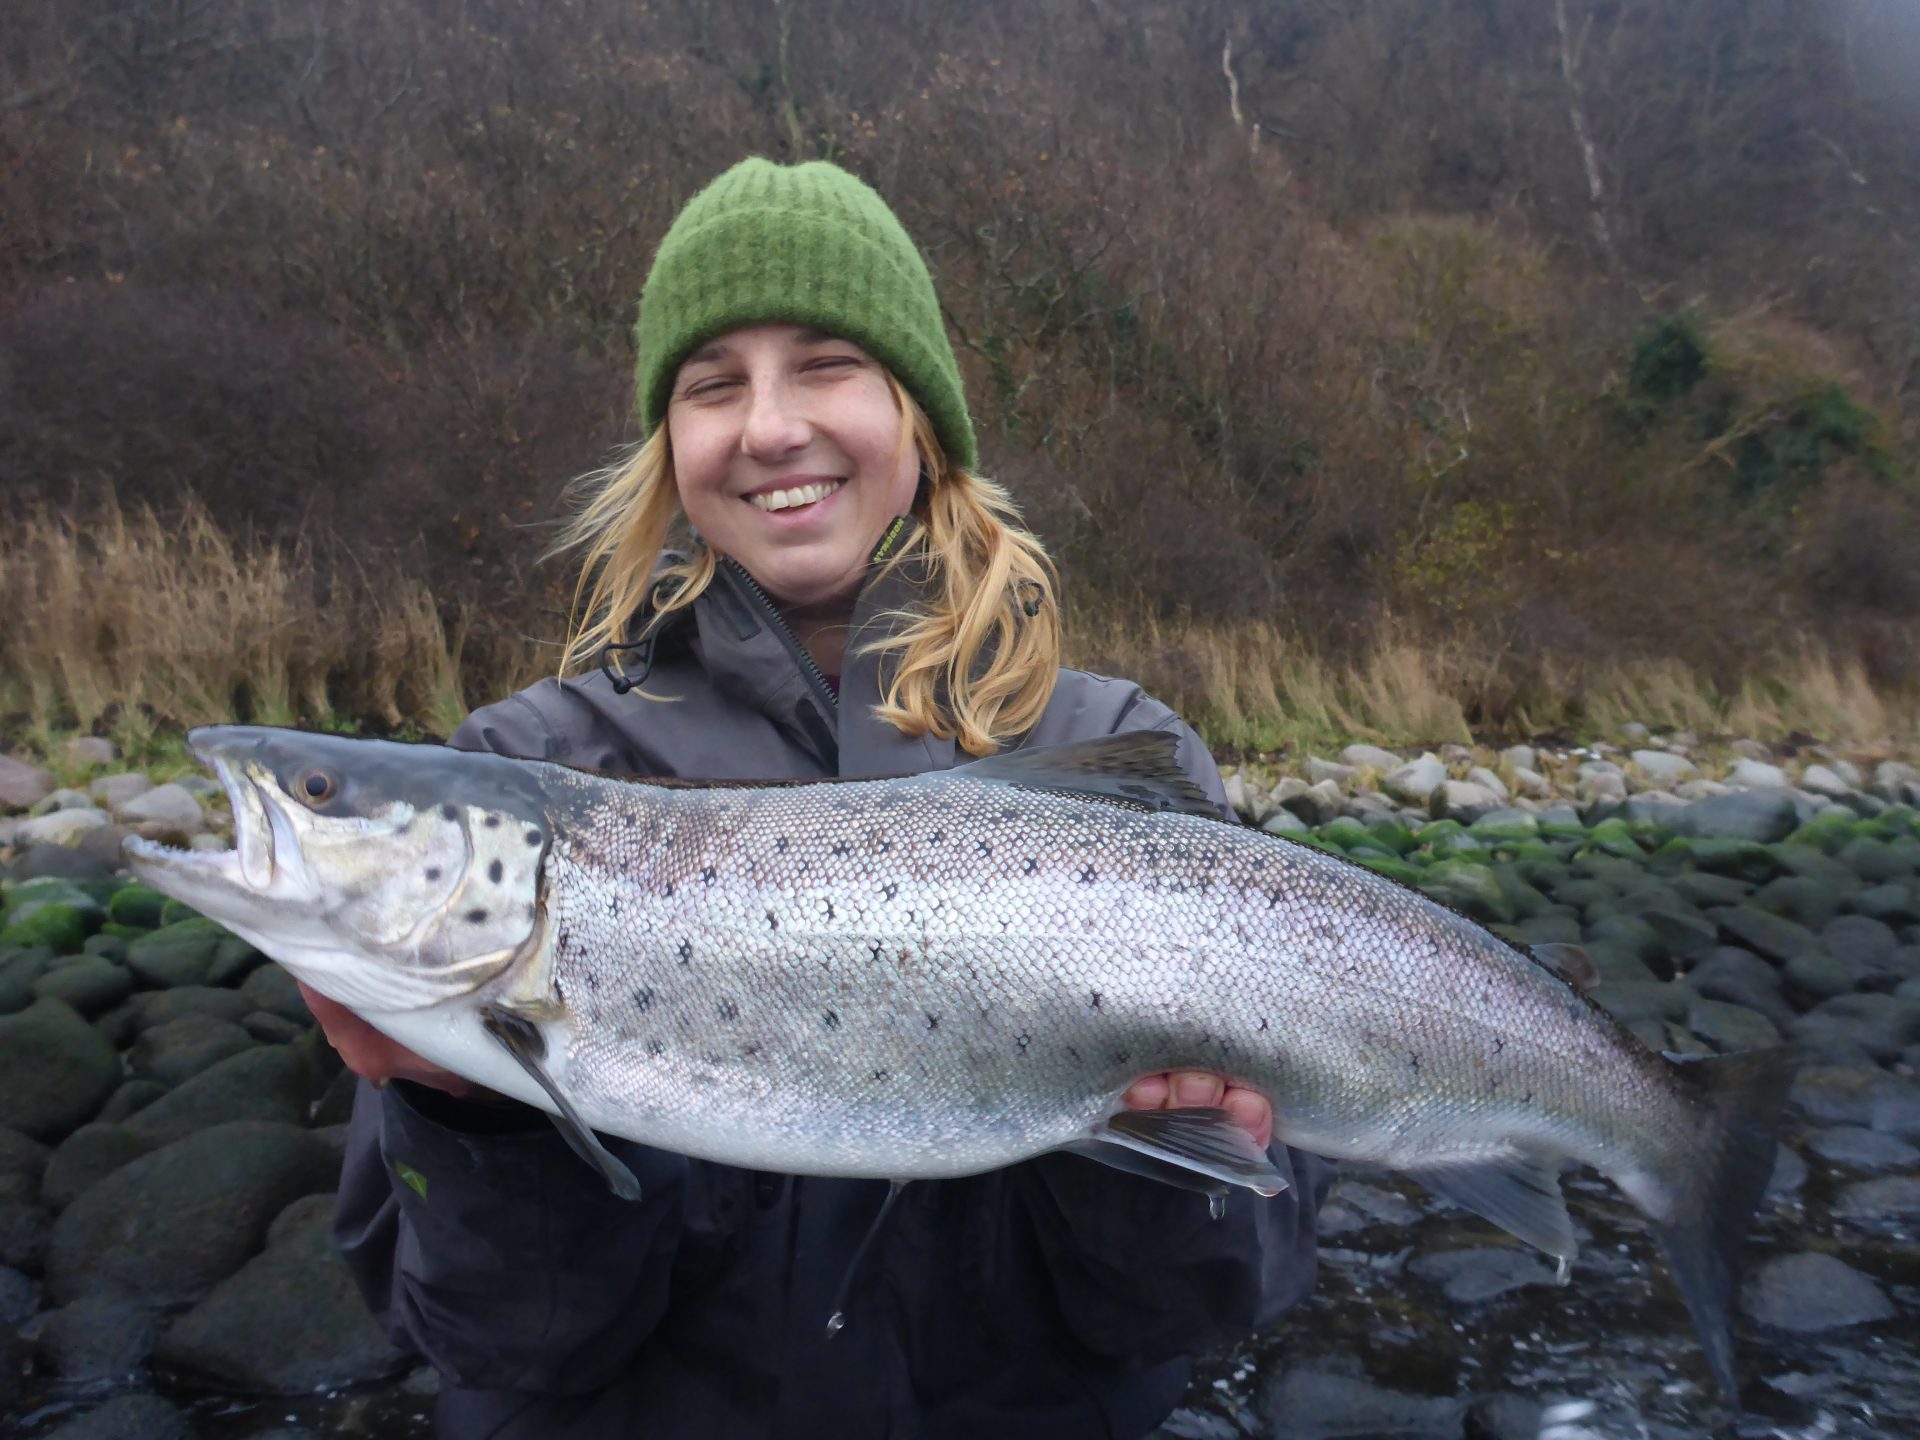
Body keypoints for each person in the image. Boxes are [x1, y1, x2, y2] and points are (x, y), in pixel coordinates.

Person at [315, 157, 1328, 1439]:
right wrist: (473, 1123)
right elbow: (490, 1341)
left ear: (920, 416)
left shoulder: (1119, 747)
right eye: (712, 384)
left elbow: (1201, 1303)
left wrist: (1153, 1160)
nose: (769, 425)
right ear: (667, 446)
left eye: (827, 363)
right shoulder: (529, 773)